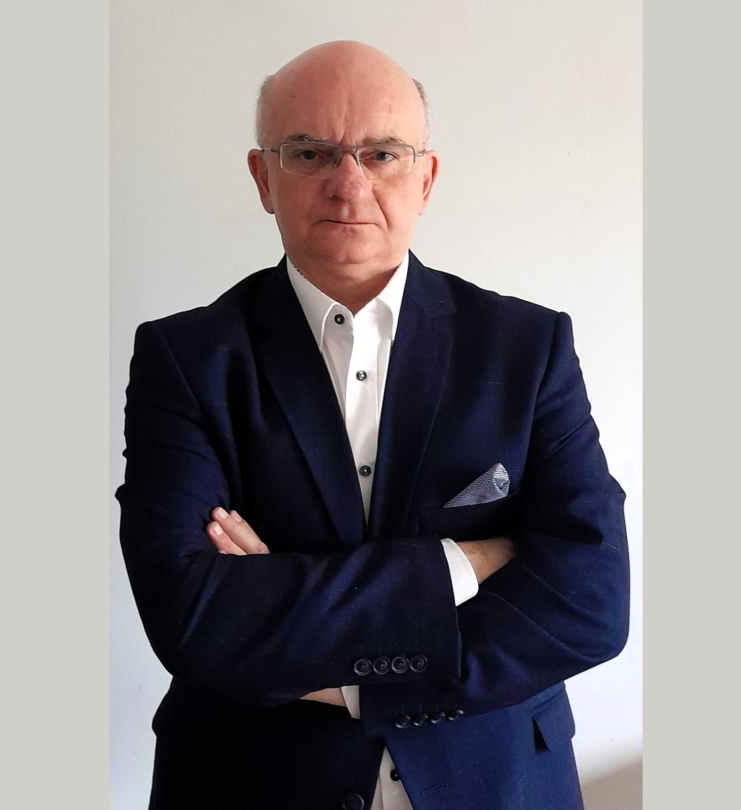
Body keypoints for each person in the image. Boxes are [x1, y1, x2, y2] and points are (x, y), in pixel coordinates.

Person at [117, 40, 629, 810]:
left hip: (498, 783)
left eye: (382, 153)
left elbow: (590, 605)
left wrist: (343, 673)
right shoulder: (185, 358)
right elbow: (193, 618)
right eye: (310, 152)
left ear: (426, 177)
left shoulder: (527, 347)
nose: (349, 182)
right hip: (251, 786)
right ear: (263, 177)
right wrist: (465, 564)